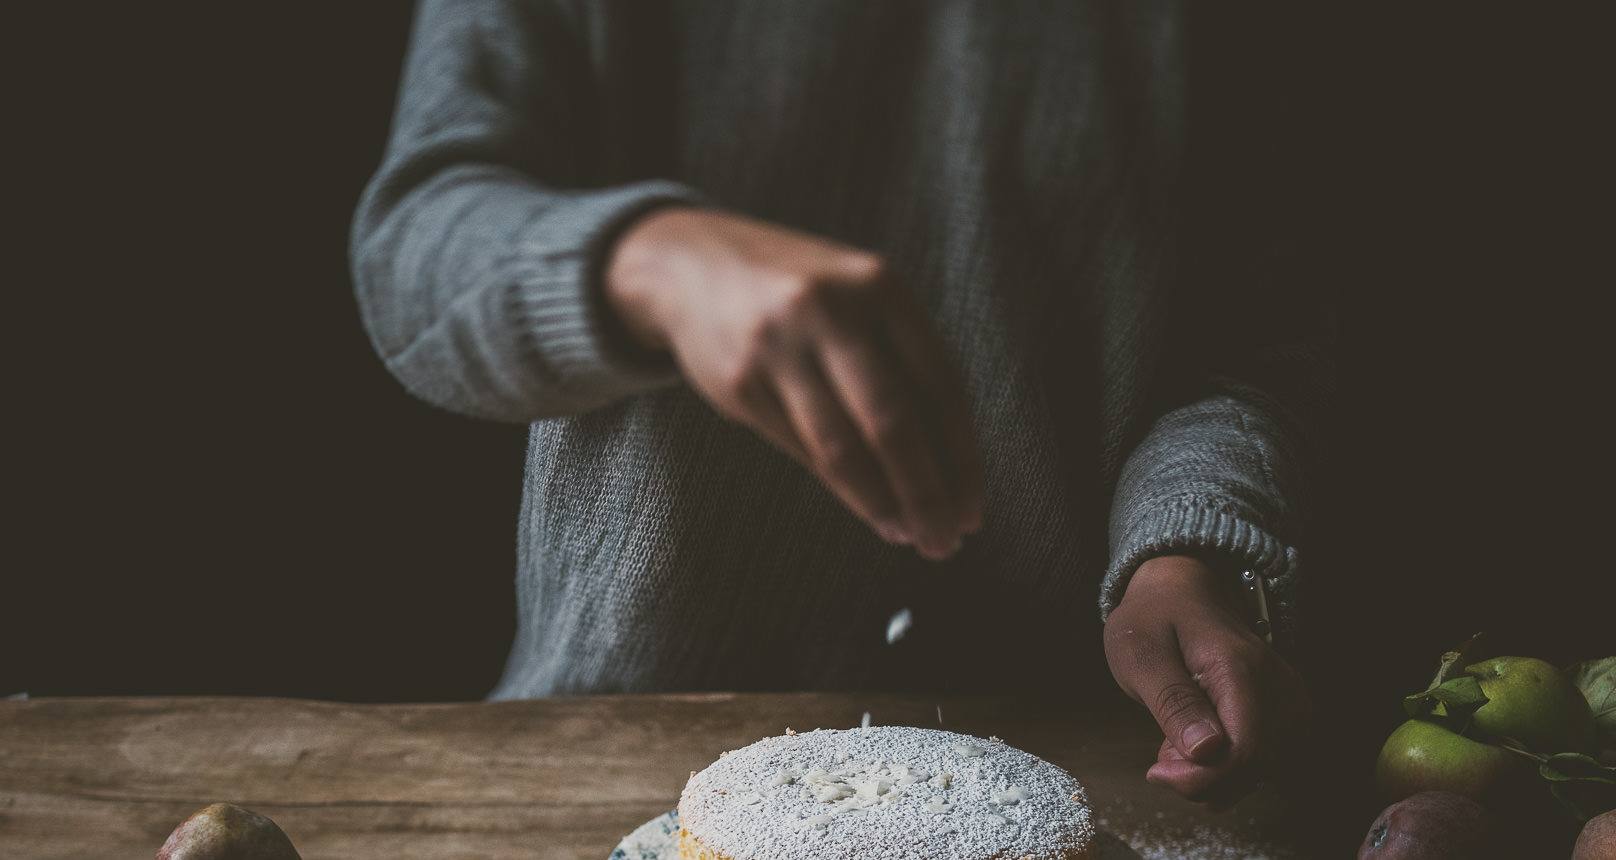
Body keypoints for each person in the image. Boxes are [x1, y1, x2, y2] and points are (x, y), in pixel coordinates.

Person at [351, 0, 1326, 799]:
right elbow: (412, 251)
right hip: (614, 745)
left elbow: (1243, 340)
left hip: (1074, 765)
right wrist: (651, 260)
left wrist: (1178, 550)